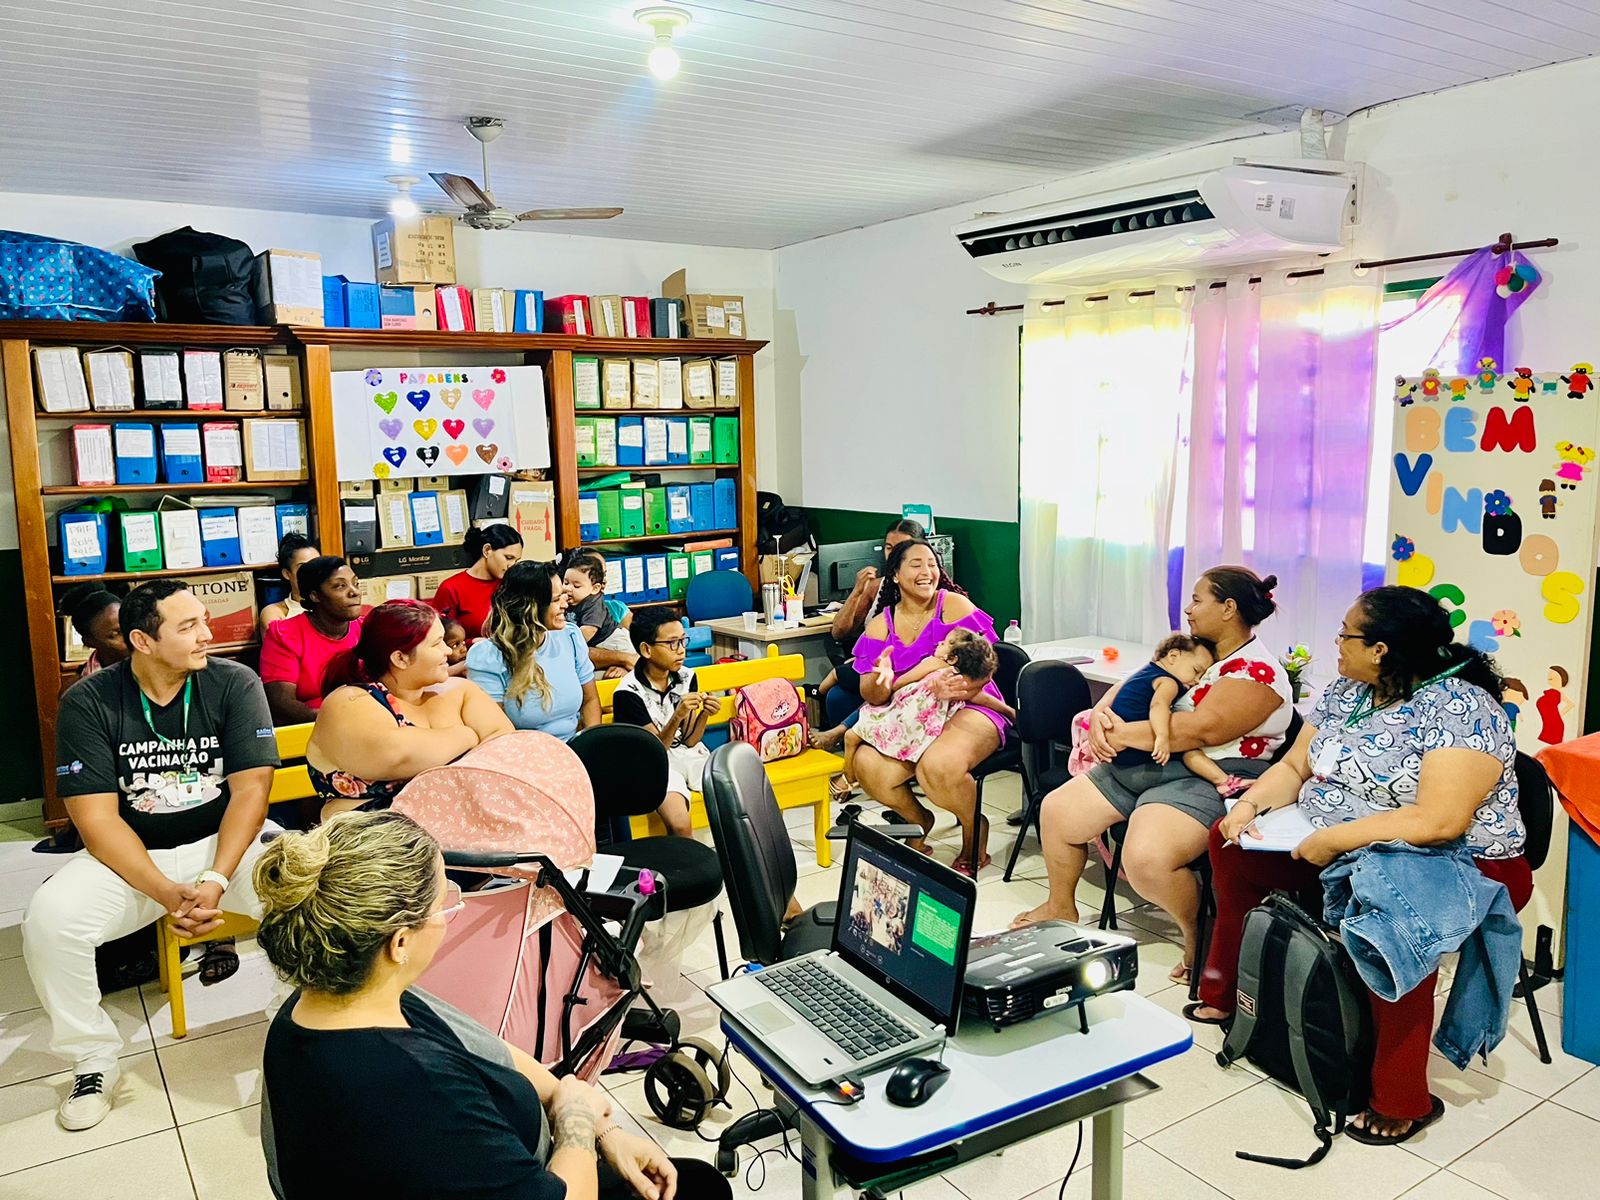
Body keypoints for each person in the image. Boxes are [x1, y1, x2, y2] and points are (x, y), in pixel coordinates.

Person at [1191, 586, 1531, 1146]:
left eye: (1345, 634)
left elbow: (1439, 820)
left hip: (1455, 865)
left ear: (1380, 649)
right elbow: (1298, 766)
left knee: (1387, 923)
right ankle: (1231, 992)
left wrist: (1336, 839)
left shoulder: (1460, 708)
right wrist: (1251, 806)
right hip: (1343, 844)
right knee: (1230, 844)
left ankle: (1401, 1098)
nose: (1336, 644)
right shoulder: (1349, 691)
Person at [257, 809, 729, 1200]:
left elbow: (492, 1051)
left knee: (695, 1182)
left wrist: (600, 1130)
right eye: (445, 903)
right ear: (399, 941)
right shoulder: (412, 1089)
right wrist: (578, 1125)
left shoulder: (329, 1002)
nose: (450, 913)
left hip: (529, 1156)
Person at [23, 579, 280, 1131]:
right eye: (188, 626)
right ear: (142, 640)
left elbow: (252, 791)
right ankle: (92, 1058)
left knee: (305, 889)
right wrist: (165, 893)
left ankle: (297, 1022)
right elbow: (95, 820)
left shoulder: (235, 682)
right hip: (134, 861)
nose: (207, 634)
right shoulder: (88, 700)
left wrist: (213, 878)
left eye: (204, 620)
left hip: (224, 849)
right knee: (50, 921)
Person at [1011, 567, 1291, 982]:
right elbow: (1137, 684)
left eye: (1198, 600)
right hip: (1151, 759)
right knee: (1058, 811)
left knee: (1145, 859)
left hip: (1212, 773)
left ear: (1229, 608)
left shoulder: (1256, 672)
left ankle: (1201, 938)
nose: (1188, 609)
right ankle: (1060, 905)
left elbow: (1202, 730)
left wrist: (1120, 733)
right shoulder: (1195, 649)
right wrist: (1103, 717)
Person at [846, 539, 1008, 875]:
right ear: (895, 575)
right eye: (916, 564)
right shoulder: (880, 626)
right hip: (912, 715)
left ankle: (973, 830)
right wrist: (883, 678)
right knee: (867, 763)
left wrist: (959, 687)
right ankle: (918, 822)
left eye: (932, 563)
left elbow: (988, 664)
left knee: (937, 766)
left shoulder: (955, 607)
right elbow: (872, 694)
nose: (927, 571)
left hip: (970, 704)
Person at [308, 600, 513, 821]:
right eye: (436, 644)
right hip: (377, 837)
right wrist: (467, 734)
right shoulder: (348, 701)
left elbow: (505, 748)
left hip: (464, 823)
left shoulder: (461, 691)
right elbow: (397, 756)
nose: (447, 651)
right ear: (400, 658)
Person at [812, 520, 964, 751]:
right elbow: (839, 632)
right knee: (845, 690)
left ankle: (830, 715)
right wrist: (857, 591)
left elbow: (973, 653)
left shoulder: (947, 601)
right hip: (879, 670)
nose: (893, 554)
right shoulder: (877, 591)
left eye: (902, 548)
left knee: (861, 682)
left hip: (920, 676)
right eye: (889, 548)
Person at [1075, 635, 1243, 793]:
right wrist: (1162, 738)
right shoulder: (1169, 682)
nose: (1197, 681)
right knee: (1190, 749)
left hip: (1116, 752)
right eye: (1196, 670)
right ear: (1173, 656)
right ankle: (1224, 782)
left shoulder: (1146, 671)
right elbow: (1158, 706)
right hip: (1134, 751)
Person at [844, 628, 1009, 778]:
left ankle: (848, 779)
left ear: (952, 658)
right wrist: (1010, 712)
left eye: (943, 643)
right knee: (853, 735)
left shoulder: (933, 664)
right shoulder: (956, 677)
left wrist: (891, 679)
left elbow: (899, 683)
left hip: (905, 718)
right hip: (918, 727)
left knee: (850, 736)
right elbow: (979, 697)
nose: (939, 643)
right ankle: (848, 778)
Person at [468, 561, 600, 743]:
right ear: (530, 607)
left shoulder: (570, 636)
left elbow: (590, 700)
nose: (565, 605)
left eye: (562, 596)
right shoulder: (488, 657)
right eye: (555, 600)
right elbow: (496, 736)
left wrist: (592, 746)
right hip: (526, 759)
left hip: (576, 752)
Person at [610, 607, 712, 838]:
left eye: (683, 641)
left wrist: (704, 713)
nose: (681, 651)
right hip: (655, 764)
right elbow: (654, 750)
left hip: (690, 754)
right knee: (680, 824)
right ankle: (689, 871)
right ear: (646, 649)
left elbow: (690, 739)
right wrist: (677, 715)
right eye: (672, 644)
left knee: (736, 797)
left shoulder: (686, 676)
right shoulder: (628, 693)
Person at [259, 555, 365, 725]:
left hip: (369, 725)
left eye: (356, 583)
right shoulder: (285, 635)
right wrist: (340, 719)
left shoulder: (367, 629)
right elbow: (281, 704)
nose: (354, 592)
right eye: (340, 586)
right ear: (315, 595)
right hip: (311, 731)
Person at [429, 525, 524, 641]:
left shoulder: (511, 585)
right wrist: (473, 643)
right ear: (487, 550)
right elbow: (439, 639)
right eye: (508, 558)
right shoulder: (451, 588)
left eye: (516, 560)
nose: (512, 565)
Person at [563, 552, 637, 679]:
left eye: (576, 585)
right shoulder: (570, 600)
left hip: (615, 643)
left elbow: (589, 630)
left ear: (595, 588)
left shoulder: (594, 605)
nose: (568, 589)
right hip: (599, 645)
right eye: (566, 583)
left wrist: (566, 644)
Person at [59, 584, 128, 679]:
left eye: (129, 625)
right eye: (115, 634)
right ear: (89, 642)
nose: (131, 637)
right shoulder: (82, 690)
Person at [259, 533, 319, 632]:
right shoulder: (275, 612)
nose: (312, 571)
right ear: (287, 573)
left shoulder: (332, 605)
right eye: (303, 567)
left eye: (317, 564)